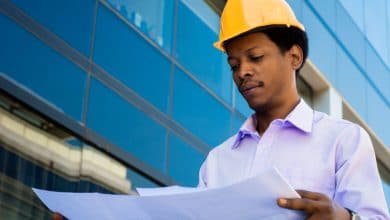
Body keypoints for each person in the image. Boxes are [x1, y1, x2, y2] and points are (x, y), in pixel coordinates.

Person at [197, 0, 390, 219]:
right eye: (234, 65)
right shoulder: (216, 162)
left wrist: (347, 218)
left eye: (255, 57)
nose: (242, 72)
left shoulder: (343, 140)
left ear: (294, 57)